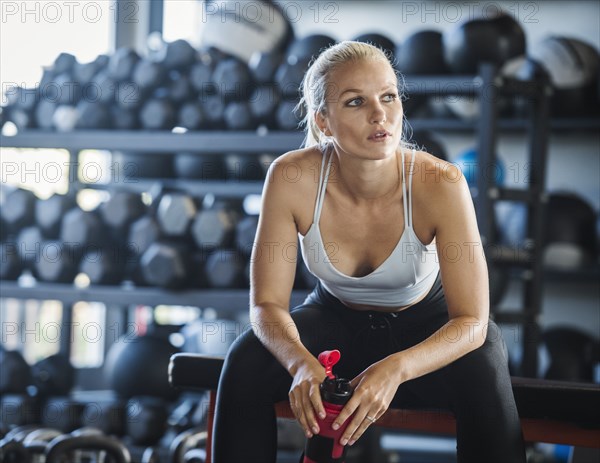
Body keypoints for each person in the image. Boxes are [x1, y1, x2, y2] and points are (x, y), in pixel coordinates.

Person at [212, 41, 527, 463]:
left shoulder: (441, 183)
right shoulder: (291, 177)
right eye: (356, 101)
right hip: (335, 320)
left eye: (389, 96)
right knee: (246, 358)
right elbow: (266, 304)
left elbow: (470, 321)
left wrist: (396, 368)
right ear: (324, 121)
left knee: (485, 356)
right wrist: (302, 365)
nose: (380, 115)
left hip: (427, 327)